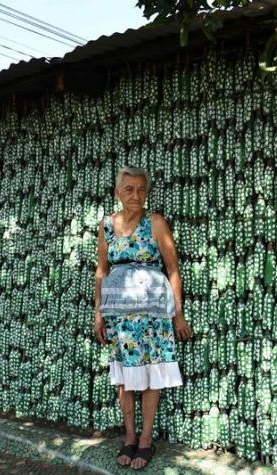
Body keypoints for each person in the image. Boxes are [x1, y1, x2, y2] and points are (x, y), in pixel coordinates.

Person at [94, 166, 192, 471]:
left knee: (150, 374)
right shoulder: (107, 225)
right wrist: (98, 313)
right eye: (129, 189)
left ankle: (146, 440)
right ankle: (130, 436)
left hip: (152, 313)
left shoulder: (156, 223)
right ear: (117, 193)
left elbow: (172, 269)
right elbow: (102, 270)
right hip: (119, 314)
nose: (136, 195)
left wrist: (178, 314)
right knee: (124, 376)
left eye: (141, 189)